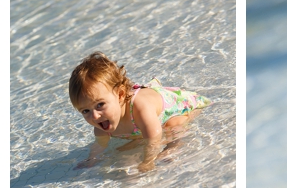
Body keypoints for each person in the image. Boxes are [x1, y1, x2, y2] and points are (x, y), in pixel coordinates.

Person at [69, 52, 211, 172]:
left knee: (172, 127)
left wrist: (148, 161)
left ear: (120, 95)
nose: (94, 116)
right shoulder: (101, 124)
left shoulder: (140, 109)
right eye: (85, 111)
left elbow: (154, 138)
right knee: (123, 150)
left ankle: (174, 147)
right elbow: (99, 145)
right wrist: (90, 161)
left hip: (177, 106)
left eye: (100, 104)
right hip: (147, 113)